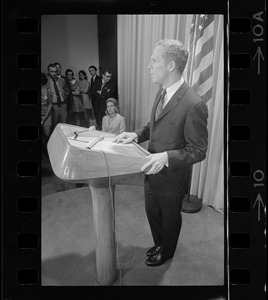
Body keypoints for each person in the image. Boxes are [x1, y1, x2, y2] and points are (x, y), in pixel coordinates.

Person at [113, 39, 208, 267]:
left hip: (172, 177)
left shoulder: (194, 104)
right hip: (150, 170)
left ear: (171, 65)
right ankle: (160, 244)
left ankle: (167, 251)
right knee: (152, 211)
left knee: (170, 217)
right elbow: (153, 125)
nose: (149, 66)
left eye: (154, 60)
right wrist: (136, 134)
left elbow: (198, 150)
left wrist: (166, 158)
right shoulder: (162, 92)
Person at [46, 63, 68, 130]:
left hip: (63, 105)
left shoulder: (61, 80)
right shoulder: (46, 81)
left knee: (64, 126)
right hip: (53, 106)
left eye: (55, 71)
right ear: (48, 71)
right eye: (52, 71)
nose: (54, 73)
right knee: (54, 126)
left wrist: (65, 95)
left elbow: (66, 89)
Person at [41, 72, 52, 152]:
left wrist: (45, 117)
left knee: (47, 134)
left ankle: (48, 151)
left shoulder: (47, 89)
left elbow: (50, 104)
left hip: (46, 114)